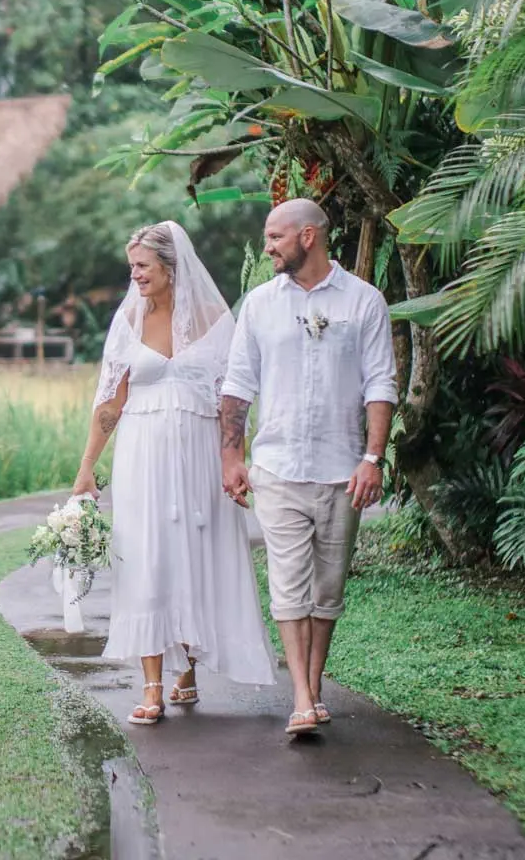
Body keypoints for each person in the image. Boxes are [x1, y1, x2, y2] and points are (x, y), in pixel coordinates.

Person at [72, 222, 277, 727]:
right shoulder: (128, 320)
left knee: (195, 557)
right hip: (142, 457)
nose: (135, 275)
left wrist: (234, 460)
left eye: (143, 266)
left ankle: (188, 665)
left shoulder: (215, 319)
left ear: (170, 265)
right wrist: (86, 468)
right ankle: (151, 683)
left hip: (200, 460)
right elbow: (109, 401)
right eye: (132, 267)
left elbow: (234, 400)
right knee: (145, 560)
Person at [220, 199, 396, 737]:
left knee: (328, 588)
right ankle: (300, 695)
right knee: (289, 585)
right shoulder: (259, 305)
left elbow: (381, 384)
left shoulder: (364, 301)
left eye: (275, 237)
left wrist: (372, 458)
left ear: (309, 237)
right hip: (276, 468)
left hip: (343, 472)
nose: (268, 246)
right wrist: (231, 454)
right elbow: (237, 384)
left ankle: (314, 687)